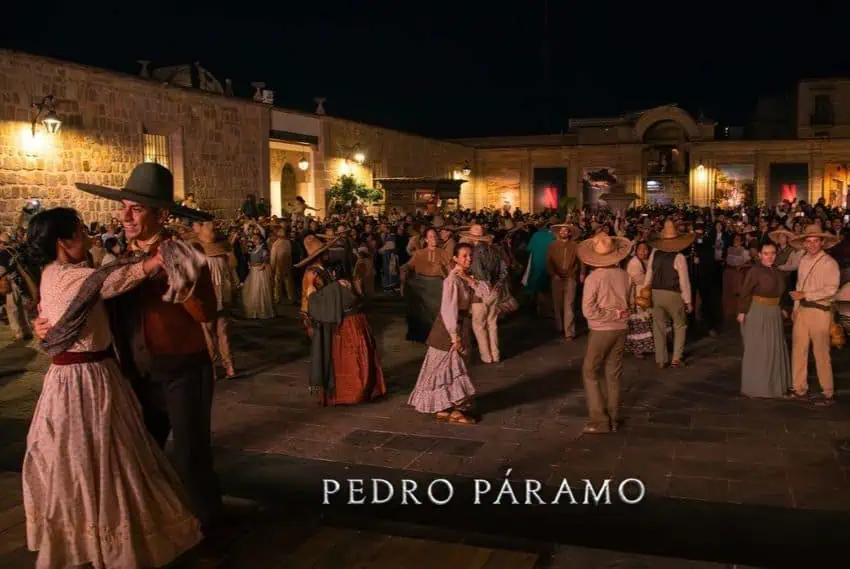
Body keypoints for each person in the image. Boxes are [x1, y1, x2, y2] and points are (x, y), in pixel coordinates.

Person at [49, 163, 225, 541]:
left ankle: (211, 531)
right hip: (133, 373)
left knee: (191, 456)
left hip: (182, 369)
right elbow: (85, 302)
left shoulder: (182, 252)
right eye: (124, 207)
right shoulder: (116, 259)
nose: (125, 216)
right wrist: (46, 322)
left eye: (137, 209)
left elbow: (206, 313)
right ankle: (162, 526)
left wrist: (185, 278)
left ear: (161, 214)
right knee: (142, 454)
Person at [25, 207, 202, 569]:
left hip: (68, 380)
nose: (89, 237)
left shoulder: (51, 273)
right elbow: (125, 276)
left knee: (79, 459)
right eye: (80, 232)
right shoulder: (78, 278)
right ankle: (113, 537)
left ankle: (83, 538)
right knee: (106, 456)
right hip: (88, 380)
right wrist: (162, 257)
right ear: (64, 243)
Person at [297, 235, 386, 405]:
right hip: (322, 318)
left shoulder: (324, 269)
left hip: (331, 317)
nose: (328, 254)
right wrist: (338, 287)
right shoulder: (312, 274)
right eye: (325, 252)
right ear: (319, 255)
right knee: (326, 355)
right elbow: (310, 299)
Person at [408, 243, 490, 424]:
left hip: (461, 324)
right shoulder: (451, 280)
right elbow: (448, 309)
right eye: (464, 256)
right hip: (448, 328)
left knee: (449, 368)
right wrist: (455, 336)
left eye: (470, 256)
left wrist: (469, 280)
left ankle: (445, 408)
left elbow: (485, 292)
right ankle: (455, 410)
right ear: (455, 258)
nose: (468, 259)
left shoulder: (466, 277)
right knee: (450, 368)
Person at [577, 233, 633, 434]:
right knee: (613, 373)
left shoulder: (594, 278)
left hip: (601, 329)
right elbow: (632, 303)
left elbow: (588, 311)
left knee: (590, 371)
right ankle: (614, 417)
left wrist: (609, 313)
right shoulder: (625, 275)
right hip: (621, 328)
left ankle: (599, 420)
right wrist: (619, 313)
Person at [788, 225, 840, 406]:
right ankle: (799, 388)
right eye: (808, 241)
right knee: (798, 350)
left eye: (815, 241)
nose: (812, 245)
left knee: (821, 352)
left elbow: (831, 289)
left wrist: (806, 295)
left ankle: (827, 392)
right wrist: (795, 308)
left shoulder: (830, 263)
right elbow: (799, 284)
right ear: (804, 243)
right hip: (802, 310)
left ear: (822, 242)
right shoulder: (802, 260)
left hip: (820, 311)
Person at [737, 242, 792, 398]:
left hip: (774, 313)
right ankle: (756, 387)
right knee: (758, 348)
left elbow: (781, 294)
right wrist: (742, 311)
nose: (770, 256)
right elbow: (745, 291)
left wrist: (781, 308)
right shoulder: (755, 271)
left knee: (775, 348)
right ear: (760, 255)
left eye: (773, 253)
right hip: (758, 311)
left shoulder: (779, 272)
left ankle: (774, 386)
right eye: (766, 253)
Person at [644, 220, 694, 368]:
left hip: (655, 293)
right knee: (679, 325)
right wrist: (688, 301)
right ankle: (676, 358)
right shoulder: (679, 257)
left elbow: (649, 273)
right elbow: (684, 281)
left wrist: (646, 290)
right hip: (673, 294)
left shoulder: (655, 254)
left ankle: (660, 359)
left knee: (658, 326)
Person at [401, 227, 451, 343]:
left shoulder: (444, 253)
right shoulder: (419, 254)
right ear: (426, 239)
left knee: (438, 313)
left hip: (437, 288)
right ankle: (423, 336)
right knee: (422, 314)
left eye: (435, 236)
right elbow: (408, 266)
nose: (433, 239)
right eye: (430, 237)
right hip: (421, 287)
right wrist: (404, 271)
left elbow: (450, 270)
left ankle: (438, 337)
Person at [546, 223, 582, 341]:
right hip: (556, 278)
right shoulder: (552, 246)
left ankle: (569, 332)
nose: (563, 232)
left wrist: (582, 274)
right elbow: (549, 262)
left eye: (565, 231)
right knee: (558, 304)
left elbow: (581, 261)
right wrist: (553, 274)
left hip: (571, 277)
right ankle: (560, 327)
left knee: (569, 305)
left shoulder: (575, 246)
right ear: (558, 233)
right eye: (561, 231)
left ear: (569, 233)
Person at [242, 232, 275, 319]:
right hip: (253, 271)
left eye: (256, 239)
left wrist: (262, 265)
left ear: (260, 240)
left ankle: (262, 310)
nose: (254, 240)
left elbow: (265, 259)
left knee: (260, 289)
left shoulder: (263, 249)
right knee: (253, 289)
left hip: (260, 272)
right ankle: (254, 310)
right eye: (253, 239)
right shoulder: (253, 249)